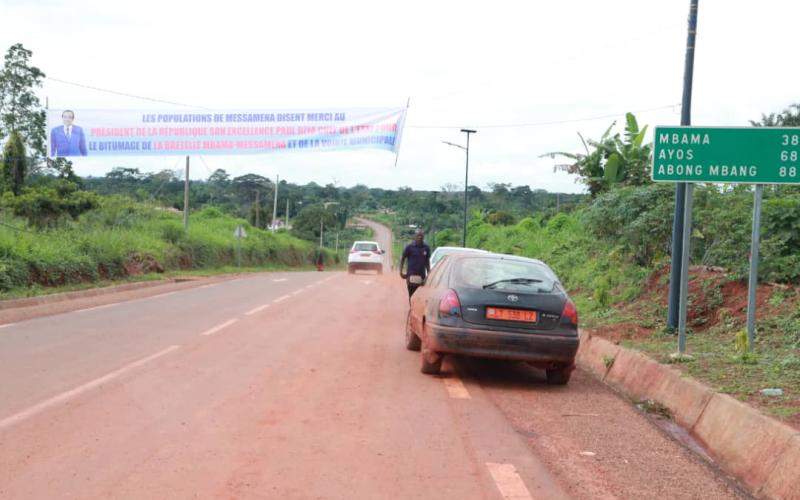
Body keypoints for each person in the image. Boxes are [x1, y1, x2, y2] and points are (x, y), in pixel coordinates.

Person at [400, 229, 431, 300]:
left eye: (421, 236)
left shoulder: (426, 248)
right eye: (418, 235)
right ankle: (411, 309)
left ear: (423, 237)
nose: (420, 237)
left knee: (420, 296)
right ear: (415, 237)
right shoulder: (409, 247)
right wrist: (401, 272)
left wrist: (428, 274)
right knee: (411, 295)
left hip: (422, 277)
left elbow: (427, 262)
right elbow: (403, 258)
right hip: (411, 276)